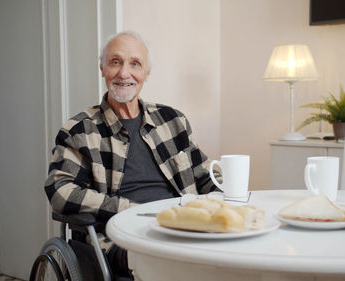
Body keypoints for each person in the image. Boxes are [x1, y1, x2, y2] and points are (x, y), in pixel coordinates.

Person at [44, 31, 219, 279]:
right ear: (102, 68)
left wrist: (227, 196)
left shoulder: (172, 120)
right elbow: (61, 191)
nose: (124, 73)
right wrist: (128, 210)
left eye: (135, 64)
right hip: (121, 238)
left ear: (146, 73)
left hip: (185, 226)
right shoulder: (80, 130)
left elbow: (204, 174)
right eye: (115, 62)